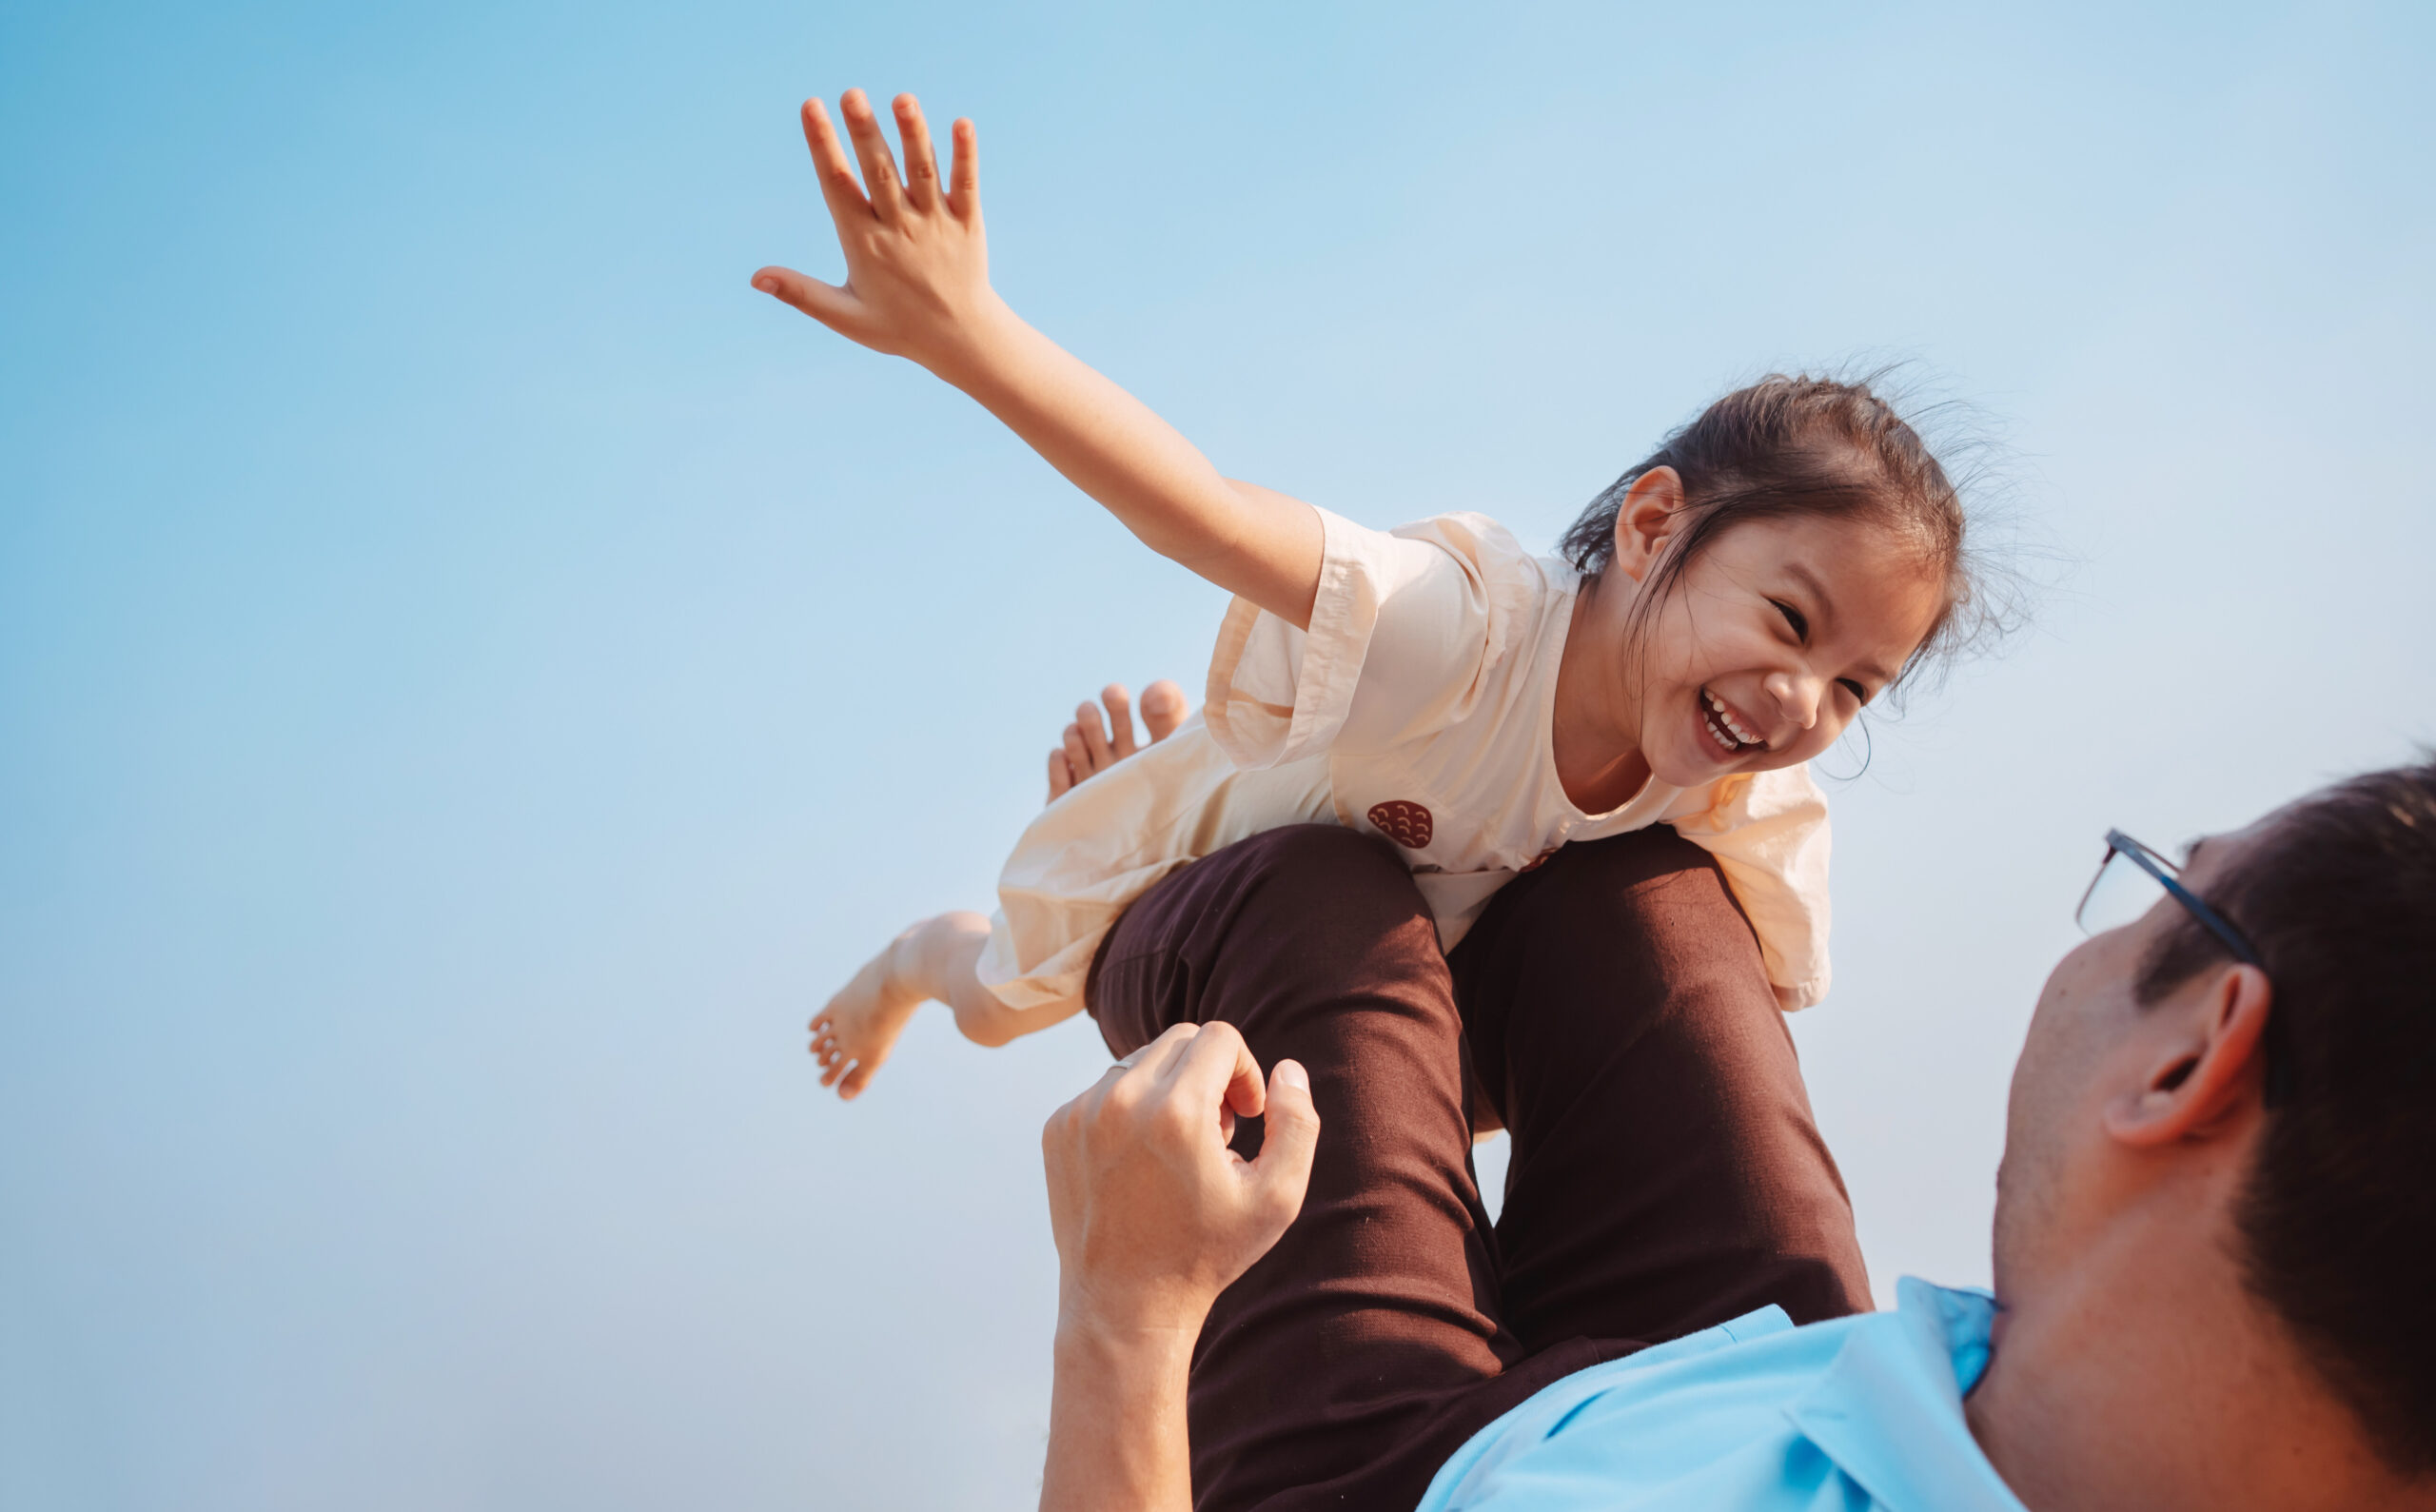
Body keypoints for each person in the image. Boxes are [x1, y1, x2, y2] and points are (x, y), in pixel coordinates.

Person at [754, 90, 1998, 1103]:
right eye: (1787, 621)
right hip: (1194, 874)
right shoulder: (1460, 633)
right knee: (998, 1005)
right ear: (1653, 523)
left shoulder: (1742, 787)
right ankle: (920, 950)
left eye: (1855, 685)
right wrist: (970, 333)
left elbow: (1731, 1010)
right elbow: (1202, 511)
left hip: (1394, 982)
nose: (1802, 700)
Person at [1033, 759, 2436, 1511]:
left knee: (1299, 890)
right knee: (1631, 886)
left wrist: (1127, 1315)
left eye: (2160, 898)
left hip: (1394, 1475)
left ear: (2191, 1056)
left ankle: (1157, 904)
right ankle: (1397, 1015)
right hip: (1805, 1370)